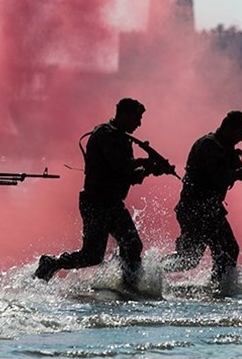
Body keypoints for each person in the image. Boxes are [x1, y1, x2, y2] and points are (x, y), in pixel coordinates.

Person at [34, 98, 166, 288]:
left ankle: (130, 287)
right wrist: (143, 162)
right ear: (124, 115)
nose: (139, 123)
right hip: (96, 202)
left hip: (112, 203)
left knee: (132, 245)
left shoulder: (122, 139)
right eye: (137, 118)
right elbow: (118, 165)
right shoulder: (104, 133)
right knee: (92, 256)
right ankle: (52, 263)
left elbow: (128, 176)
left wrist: (149, 170)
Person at [161, 110, 242, 290]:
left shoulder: (225, 148)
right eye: (240, 133)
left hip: (210, 209)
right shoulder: (208, 145)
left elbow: (240, 171)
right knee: (189, 259)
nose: (241, 139)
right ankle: (150, 271)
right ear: (228, 128)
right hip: (196, 209)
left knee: (227, 250)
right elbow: (222, 178)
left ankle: (219, 287)